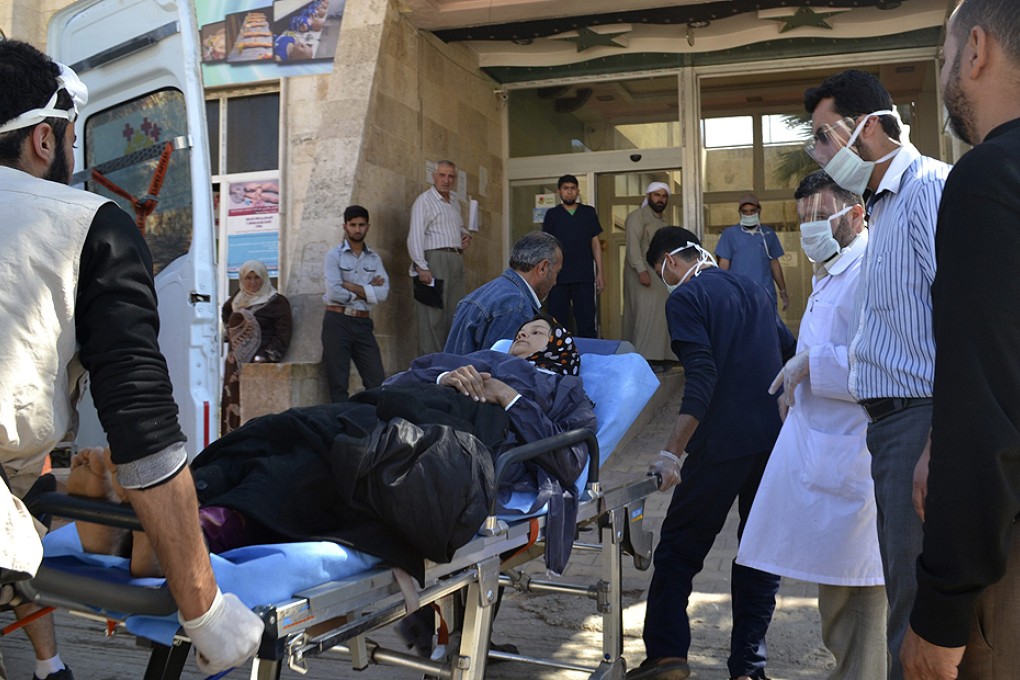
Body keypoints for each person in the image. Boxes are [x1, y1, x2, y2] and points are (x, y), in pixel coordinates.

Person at [0, 40, 262, 678]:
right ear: (44, 139)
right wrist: (204, 611)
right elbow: (142, 428)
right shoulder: (87, 225)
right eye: (69, 140)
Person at [66, 316, 594, 582]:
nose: (521, 337)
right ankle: (156, 506)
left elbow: (570, 458)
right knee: (286, 428)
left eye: (536, 333)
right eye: (520, 331)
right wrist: (444, 377)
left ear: (560, 350)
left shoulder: (562, 390)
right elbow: (403, 378)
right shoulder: (472, 355)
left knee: (329, 462)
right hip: (407, 401)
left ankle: (189, 528)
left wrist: (507, 393)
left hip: (462, 431)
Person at [804, 69, 950, 680]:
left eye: (822, 136)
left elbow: (964, 319)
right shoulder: (885, 207)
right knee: (905, 605)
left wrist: (940, 439)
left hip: (922, 420)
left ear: (864, 127)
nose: (818, 153)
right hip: (890, 428)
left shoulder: (928, 189)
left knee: (919, 620)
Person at [900, 1, 1020, 677]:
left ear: (975, 51)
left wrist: (941, 612)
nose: (946, 73)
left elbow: (989, 415)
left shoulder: (986, 180)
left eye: (943, 58)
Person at [737, 171, 886, 680]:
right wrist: (801, 380)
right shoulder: (832, 270)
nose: (810, 229)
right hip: (826, 449)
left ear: (857, 212)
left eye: (820, 216)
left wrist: (809, 368)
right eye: (803, 220)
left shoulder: (873, 269)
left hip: (856, 454)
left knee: (860, 600)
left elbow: (886, 364)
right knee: (835, 602)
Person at [628, 227, 795, 680]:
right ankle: (748, 668)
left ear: (671, 262)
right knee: (758, 555)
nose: (666, 276)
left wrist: (671, 453)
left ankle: (667, 656)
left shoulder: (684, 299)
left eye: (663, 269)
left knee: (678, 552)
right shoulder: (752, 289)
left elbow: (700, 376)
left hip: (720, 446)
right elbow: (790, 353)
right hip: (770, 443)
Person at [443, 231, 562, 355]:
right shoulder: (515, 305)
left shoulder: (485, 293)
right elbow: (504, 369)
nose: (555, 282)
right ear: (542, 268)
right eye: (556, 273)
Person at [321, 205, 389, 402]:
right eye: (353, 225)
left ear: (368, 226)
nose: (357, 230)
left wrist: (351, 286)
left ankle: (373, 427)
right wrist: (368, 290)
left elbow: (383, 292)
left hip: (362, 323)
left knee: (377, 381)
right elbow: (333, 291)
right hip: (337, 321)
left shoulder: (374, 258)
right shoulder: (333, 256)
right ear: (345, 226)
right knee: (338, 384)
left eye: (361, 225)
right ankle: (340, 429)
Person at [407, 160, 471, 355]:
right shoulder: (424, 201)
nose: (446, 180)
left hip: (455, 259)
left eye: (450, 176)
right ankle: (430, 368)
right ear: (434, 176)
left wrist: (464, 234)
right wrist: (421, 265)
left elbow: (456, 226)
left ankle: (448, 365)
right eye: (442, 175)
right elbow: (415, 233)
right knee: (431, 318)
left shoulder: (454, 202)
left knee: (454, 314)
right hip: (434, 260)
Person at [220, 260, 292, 433]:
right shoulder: (236, 300)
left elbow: (283, 333)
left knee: (256, 414)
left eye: (257, 278)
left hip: (259, 366)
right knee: (233, 408)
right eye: (248, 278)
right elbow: (226, 318)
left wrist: (266, 356)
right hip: (234, 367)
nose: (252, 282)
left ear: (264, 278)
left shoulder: (276, 302)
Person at [541, 174, 603, 337]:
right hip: (558, 276)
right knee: (557, 321)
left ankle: (589, 356)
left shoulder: (588, 213)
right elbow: (547, 245)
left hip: (583, 275)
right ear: (559, 191)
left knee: (586, 321)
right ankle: (560, 357)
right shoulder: (552, 215)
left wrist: (600, 272)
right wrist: (548, 274)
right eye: (565, 188)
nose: (569, 192)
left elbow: (595, 243)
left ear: (577, 191)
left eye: (572, 188)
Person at [622, 182, 673, 363]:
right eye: (656, 195)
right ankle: (645, 358)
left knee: (660, 313)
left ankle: (661, 357)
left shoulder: (663, 221)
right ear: (648, 196)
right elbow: (633, 246)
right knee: (644, 314)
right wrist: (641, 270)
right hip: (641, 274)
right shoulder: (637, 216)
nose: (660, 199)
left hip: (659, 275)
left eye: (664, 196)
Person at [715, 193, 789, 311]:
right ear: (740, 212)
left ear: (759, 210)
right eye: (745, 211)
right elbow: (724, 264)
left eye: (752, 211)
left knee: (767, 327)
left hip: (765, 294)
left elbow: (774, 264)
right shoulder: (730, 234)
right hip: (739, 294)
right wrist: (720, 291)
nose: (749, 214)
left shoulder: (768, 234)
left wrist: (783, 290)